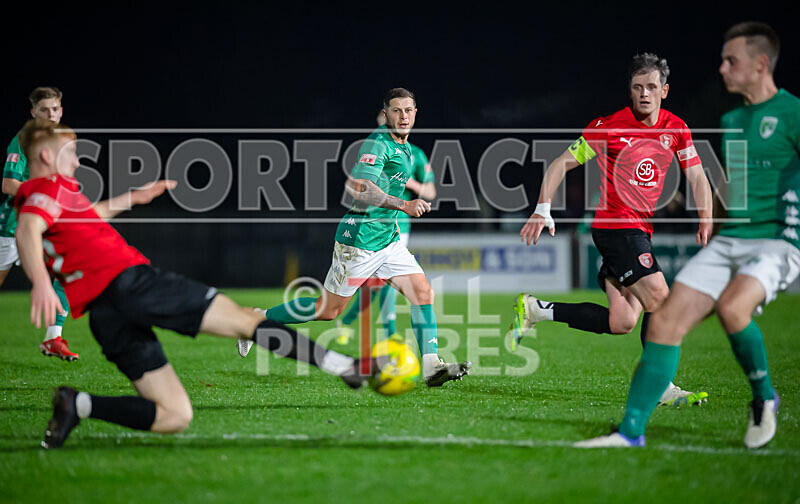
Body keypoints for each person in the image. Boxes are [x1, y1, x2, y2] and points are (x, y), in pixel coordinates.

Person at [14, 118, 378, 449]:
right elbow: (29, 228)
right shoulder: (46, 188)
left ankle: (77, 404)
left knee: (175, 415)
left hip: (106, 313)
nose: (77, 161)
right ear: (47, 155)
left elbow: (85, 216)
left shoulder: (57, 192)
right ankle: (345, 367)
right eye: (71, 153)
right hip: (133, 284)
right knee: (245, 323)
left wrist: (133, 198)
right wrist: (41, 282)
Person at [576, 22, 799, 449]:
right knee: (663, 322)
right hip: (732, 239)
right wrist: (708, 214)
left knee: (733, 309)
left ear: (760, 64)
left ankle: (763, 396)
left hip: (777, 240)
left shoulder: (793, 114)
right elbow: (723, 182)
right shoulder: (734, 119)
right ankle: (630, 433)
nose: (721, 68)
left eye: (731, 61)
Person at [513, 53, 713, 406]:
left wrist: (706, 215)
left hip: (638, 232)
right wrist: (542, 208)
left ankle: (536, 309)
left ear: (664, 90)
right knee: (663, 302)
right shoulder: (609, 126)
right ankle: (660, 385)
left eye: (651, 87)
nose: (644, 94)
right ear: (630, 91)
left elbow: (696, 174)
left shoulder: (676, 129)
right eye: (637, 87)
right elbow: (560, 163)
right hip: (616, 227)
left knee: (622, 322)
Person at [239, 88, 470, 387]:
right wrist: (404, 205)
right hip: (359, 240)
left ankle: (431, 366)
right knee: (327, 311)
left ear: (416, 113)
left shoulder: (407, 147)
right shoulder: (379, 143)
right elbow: (363, 189)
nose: (403, 116)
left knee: (422, 293)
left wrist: (394, 220)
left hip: (387, 239)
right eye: (396, 110)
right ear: (385, 113)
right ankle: (255, 320)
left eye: (408, 110)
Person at [334, 111, 436, 344]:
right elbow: (355, 185)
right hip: (371, 226)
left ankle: (383, 330)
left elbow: (431, 192)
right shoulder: (376, 148)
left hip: (400, 225)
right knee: (374, 284)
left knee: (384, 283)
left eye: (406, 112)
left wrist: (409, 182)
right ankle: (360, 323)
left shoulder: (415, 154)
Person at [0, 87, 77, 360]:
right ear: (33, 113)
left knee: (66, 274)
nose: (51, 115)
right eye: (44, 110)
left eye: (55, 109)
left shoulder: (60, 142)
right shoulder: (22, 141)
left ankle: (53, 338)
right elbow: (8, 184)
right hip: (12, 229)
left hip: (42, 228)